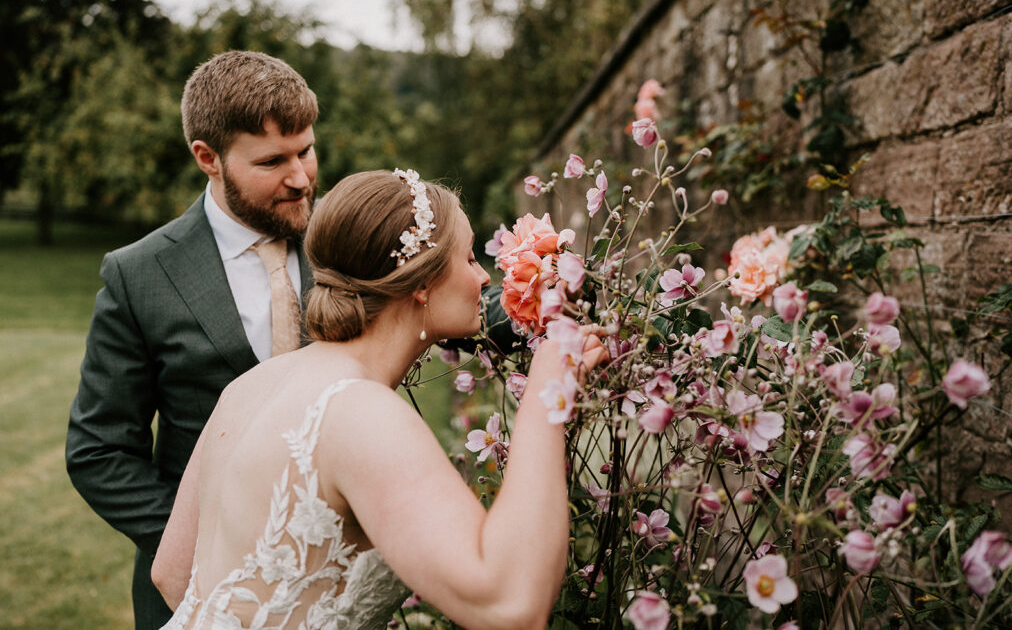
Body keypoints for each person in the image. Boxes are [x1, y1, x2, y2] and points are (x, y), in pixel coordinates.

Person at [150, 169, 608, 629]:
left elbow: (172, 575)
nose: (483, 278)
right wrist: (546, 401)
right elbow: (512, 605)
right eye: (469, 259)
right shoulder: (360, 412)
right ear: (422, 283)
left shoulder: (247, 388)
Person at [66, 50, 319, 630]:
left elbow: (444, 292)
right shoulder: (139, 275)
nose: (301, 176)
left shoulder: (342, 239)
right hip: (196, 590)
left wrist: (558, 293)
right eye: (273, 160)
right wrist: (199, 542)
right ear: (208, 158)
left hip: (333, 569)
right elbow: (98, 449)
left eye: (305, 150)